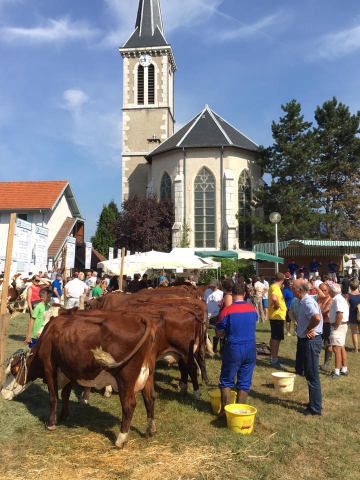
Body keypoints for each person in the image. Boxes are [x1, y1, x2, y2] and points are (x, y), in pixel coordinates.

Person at [215, 283, 258, 415]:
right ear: (244, 294)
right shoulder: (253, 310)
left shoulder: (227, 311)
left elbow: (219, 333)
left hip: (234, 347)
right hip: (250, 347)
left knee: (226, 380)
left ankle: (224, 412)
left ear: (231, 294)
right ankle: (239, 411)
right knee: (244, 381)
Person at [293, 280, 323, 416]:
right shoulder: (304, 301)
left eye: (293, 287)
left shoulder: (307, 302)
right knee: (309, 373)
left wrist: (309, 328)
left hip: (311, 341)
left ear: (299, 290)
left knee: (312, 375)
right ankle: (313, 402)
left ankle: (315, 408)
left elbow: (316, 317)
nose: (291, 289)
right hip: (308, 340)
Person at [329, 283, 349, 378]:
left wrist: (336, 325)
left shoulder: (337, 299)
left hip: (339, 326)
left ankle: (336, 371)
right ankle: (344, 368)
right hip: (342, 325)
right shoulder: (341, 299)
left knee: (336, 348)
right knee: (341, 347)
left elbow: (339, 314)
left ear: (333, 291)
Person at [268, 272, 286, 369]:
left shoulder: (274, 287)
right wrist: (277, 305)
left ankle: (273, 357)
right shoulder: (275, 287)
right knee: (276, 338)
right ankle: (274, 360)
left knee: (274, 337)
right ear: (283, 279)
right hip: (277, 316)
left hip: (276, 316)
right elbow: (274, 298)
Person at [315, 283, 333, 372]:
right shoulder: (319, 298)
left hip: (327, 324)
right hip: (319, 323)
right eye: (321, 290)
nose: (323, 292)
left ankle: (326, 363)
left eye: (325, 290)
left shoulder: (330, 299)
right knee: (317, 342)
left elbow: (325, 311)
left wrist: (315, 313)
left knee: (328, 343)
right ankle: (315, 361)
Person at [347, 280, 360, 353]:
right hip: (359, 313)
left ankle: (356, 349)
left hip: (352, 314)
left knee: (354, 333)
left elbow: (346, 304)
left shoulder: (348, 295)